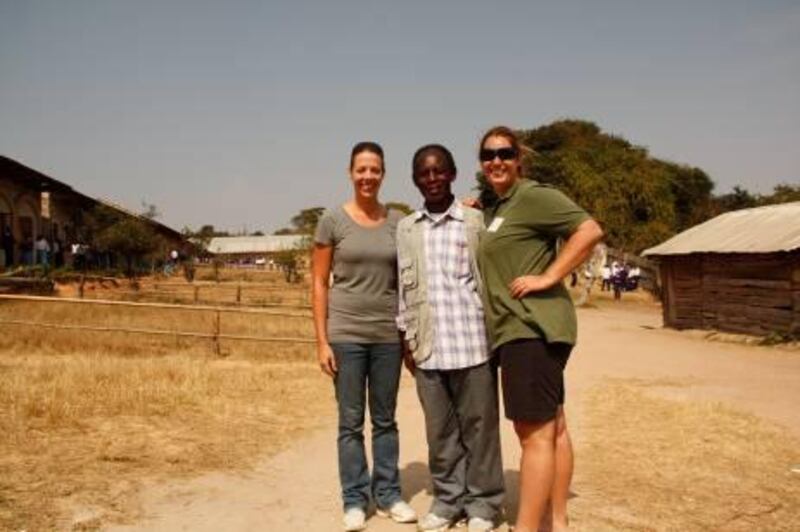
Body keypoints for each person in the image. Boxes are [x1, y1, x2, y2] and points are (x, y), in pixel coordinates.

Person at [476, 126, 604, 532]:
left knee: (533, 435)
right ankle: (558, 521)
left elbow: (589, 230)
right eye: (488, 154)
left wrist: (548, 275)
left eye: (505, 153)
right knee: (554, 426)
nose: (496, 160)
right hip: (533, 330)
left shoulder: (533, 196)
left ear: (519, 159)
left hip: (528, 329)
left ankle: (528, 527)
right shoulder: (497, 207)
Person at [397, 144, 504, 532]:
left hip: (474, 345)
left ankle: (484, 504)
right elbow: (403, 291)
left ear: (453, 174)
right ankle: (447, 500)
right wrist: (405, 340)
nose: (432, 179)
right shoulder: (407, 229)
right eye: (424, 173)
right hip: (428, 348)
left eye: (439, 171)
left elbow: (491, 279)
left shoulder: (475, 222)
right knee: (440, 433)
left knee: (480, 431)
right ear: (415, 180)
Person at [311, 141, 417, 531]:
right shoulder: (332, 220)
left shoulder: (399, 222)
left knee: (386, 420)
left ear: (383, 174)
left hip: (388, 335)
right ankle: (355, 499)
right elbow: (320, 282)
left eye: (375, 169)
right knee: (350, 422)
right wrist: (322, 340)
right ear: (350, 172)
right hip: (347, 336)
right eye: (361, 169)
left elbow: (406, 281)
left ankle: (388, 494)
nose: (368, 176)